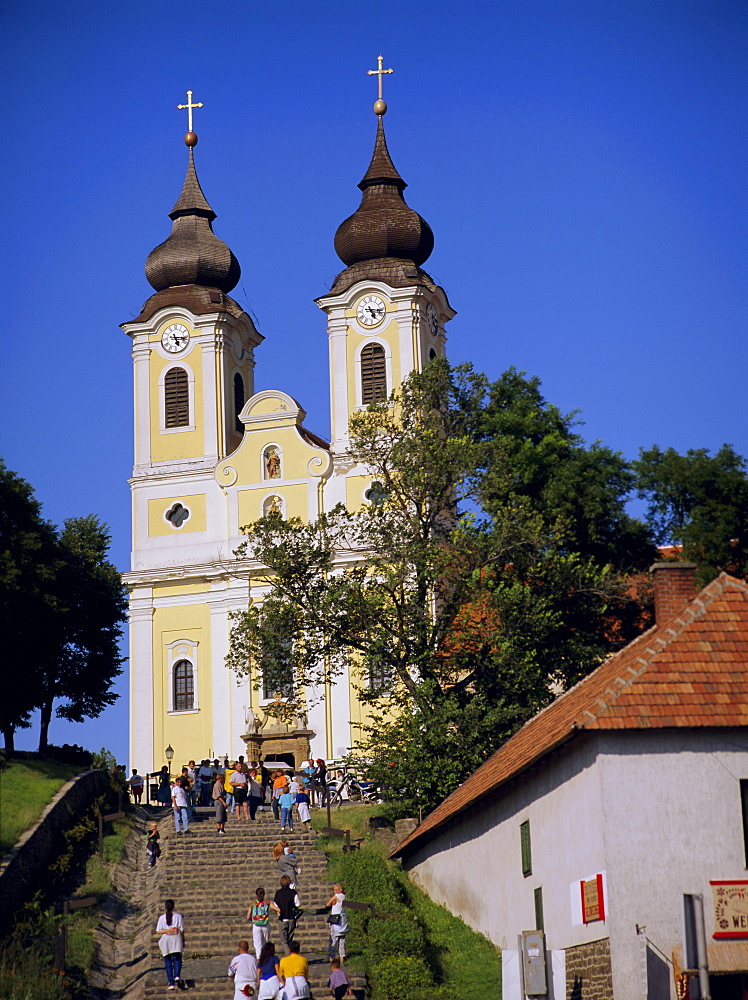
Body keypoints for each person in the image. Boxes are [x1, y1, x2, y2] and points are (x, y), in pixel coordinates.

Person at [156, 898, 185, 990]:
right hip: (176, 938)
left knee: (167, 961)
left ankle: (171, 983)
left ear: (165, 907)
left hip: (165, 940)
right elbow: (182, 930)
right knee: (177, 959)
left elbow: (158, 931)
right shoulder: (178, 916)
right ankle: (177, 975)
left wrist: (168, 931)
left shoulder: (161, 918)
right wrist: (183, 940)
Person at [270, 875, 300, 954]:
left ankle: (288, 956)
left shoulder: (278, 893)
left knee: (284, 940)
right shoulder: (293, 892)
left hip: (282, 917)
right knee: (290, 939)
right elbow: (298, 904)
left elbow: (276, 905)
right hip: (291, 918)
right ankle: (291, 954)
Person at [326, 883, 349, 962]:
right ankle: (342, 957)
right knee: (342, 940)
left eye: (336, 890)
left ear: (340, 890)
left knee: (333, 940)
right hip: (343, 920)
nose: (334, 891)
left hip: (335, 920)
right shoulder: (345, 897)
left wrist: (332, 903)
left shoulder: (336, 896)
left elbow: (328, 904)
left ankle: (331, 957)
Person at [247, 887, 271, 959]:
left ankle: (259, 958)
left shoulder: (253, 903)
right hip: (265, 924)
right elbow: (275, 907)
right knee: (265, 942)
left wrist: (253, 919)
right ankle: (265, 956)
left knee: (257, 944)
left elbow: (248, 916)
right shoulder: (267, 902)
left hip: (256, 925)